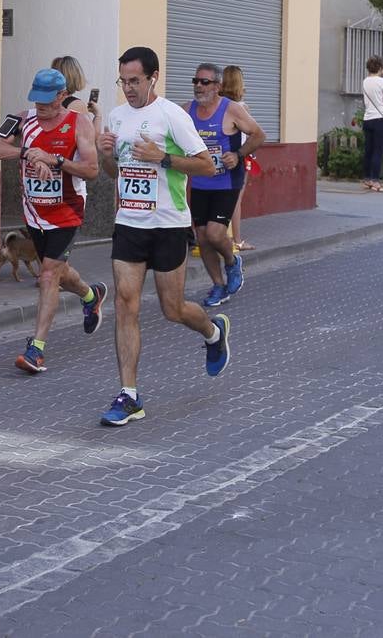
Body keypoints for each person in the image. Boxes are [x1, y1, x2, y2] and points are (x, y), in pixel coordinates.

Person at [95, 46, 229, 426]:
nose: (128, 88)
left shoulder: (171, 115)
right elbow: (112, 172)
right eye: (123, 81)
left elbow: (206, 165)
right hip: (129, 225)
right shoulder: (117, 117)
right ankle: (129, 395)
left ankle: (211, 330)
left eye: (135, 81)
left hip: (168, 225)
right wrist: (106, 155)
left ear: (153, 78)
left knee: (173, 309)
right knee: (125, 303)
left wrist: (163, 158)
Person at [0, 68, 107, 373]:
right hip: (34, 212)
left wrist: (56, 161)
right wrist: (27, 153)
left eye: (47, 102)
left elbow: (91, 170)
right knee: (59, 272)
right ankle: (91, 296)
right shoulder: (22, 119)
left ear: (62, 96)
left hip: (67, 210)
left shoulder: (79, 123)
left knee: (48, 275)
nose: (40, 107)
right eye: (36, 101)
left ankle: (36, 350)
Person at [187, 64, 265, 308]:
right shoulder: (186, 110)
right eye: (196, 81)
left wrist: (238, 155)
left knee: (214, 233)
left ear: (217, 86)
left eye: (205, 82)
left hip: (226, 181)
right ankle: (218, 285)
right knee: (202, 237)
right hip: (199, 182)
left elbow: (258, 135)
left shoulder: (231, 109)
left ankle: (232, 262)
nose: (199, 86)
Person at [219, 65, 256, 252]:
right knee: (236, 200)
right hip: (237, 157)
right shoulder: (241, 108)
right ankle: (237, 240)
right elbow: (253, 134)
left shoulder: (218, 105)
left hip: (218, 156)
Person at [360, 56, 383, 191]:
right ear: (380, 68)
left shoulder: (365, 82)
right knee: (377, 151)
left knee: (368, 150)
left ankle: (367, 178)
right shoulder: (381, 81)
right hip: (380, 119)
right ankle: (375, 180)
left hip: (367, 119)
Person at [50, 54, 98, 121]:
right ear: (77, 76)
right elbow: (90, 131)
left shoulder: (43, 103)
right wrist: (98, 116)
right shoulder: (76, 105)